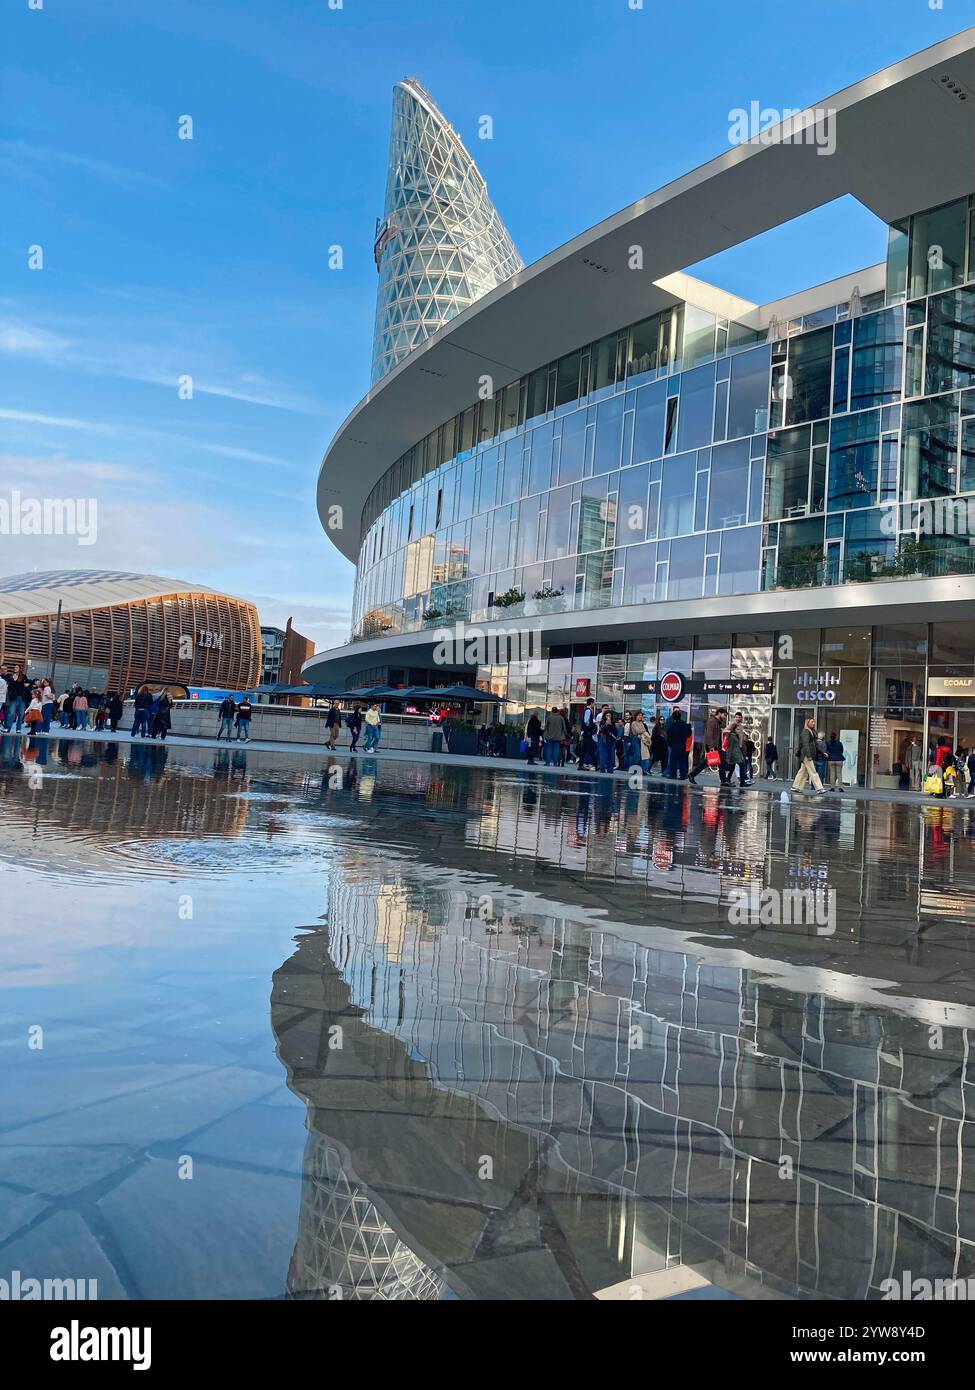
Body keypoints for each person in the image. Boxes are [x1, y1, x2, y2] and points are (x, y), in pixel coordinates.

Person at [689, 707, 726, 784]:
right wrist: (711, 747)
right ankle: (692, 774)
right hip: (712, 745)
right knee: (711, 762)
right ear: (719, 713)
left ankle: (723, 781)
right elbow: (709, 734)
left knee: (717, 762)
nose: (725, 717)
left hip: (716, 745)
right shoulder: (712, 721)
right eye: (724, 715)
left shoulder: (717, 722)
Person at [792, 716, 826, 794]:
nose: (813, 723)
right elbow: (805, 744)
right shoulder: (806, 731)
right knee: (813, 772)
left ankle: (796, 787)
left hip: (808, 755)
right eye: (812, 722)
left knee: (803, 772)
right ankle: (819, 788)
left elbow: (815, 744)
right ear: (807, 723)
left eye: (814, 722)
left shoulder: (811, 731)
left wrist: (822, 752)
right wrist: (808, 755)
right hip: (806, 755)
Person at [4, 665, 29, 732]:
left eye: (16, 667)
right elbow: (9, 687)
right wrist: (14, 681)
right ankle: (7, 728)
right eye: (14, 667)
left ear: (20, 669)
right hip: (14, 697)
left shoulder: (23, 676)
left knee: (21, 714)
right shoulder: (12, 676)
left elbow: (27, 683)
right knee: (11, 713)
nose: (15, 668)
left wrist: (27, 684)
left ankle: (18, 729)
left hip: (22, 698)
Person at [666, 709, 690, 780]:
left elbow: (669, 735)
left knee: (674, 761)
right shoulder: (684, 725)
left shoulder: (672, 725)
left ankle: (673, 775)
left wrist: (670, 743)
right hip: (682, 744)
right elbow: (689, 734)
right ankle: (683, 775)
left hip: (675, 745)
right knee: (682, 760)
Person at [724, 716, 747, 789]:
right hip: (734, 755)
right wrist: (728, 756)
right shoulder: (731, 736)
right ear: (734, 729)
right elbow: (730, 747)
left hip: (736, 754)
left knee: (732, 768)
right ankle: (742, 782)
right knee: (741, 766)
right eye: (737, 729)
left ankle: (728, 779)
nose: (739, 730)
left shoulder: (735, 736)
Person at [579, 699, 597, 771]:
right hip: (587, 732)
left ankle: (581, 764)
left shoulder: (587, 710)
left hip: (586, 732)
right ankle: (595, 764)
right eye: (593, 703)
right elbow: (586, 721)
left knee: (584, 750)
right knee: (591, 749)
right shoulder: (588, 710)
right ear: (591, 703)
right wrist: (590, 727)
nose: (594, 705)